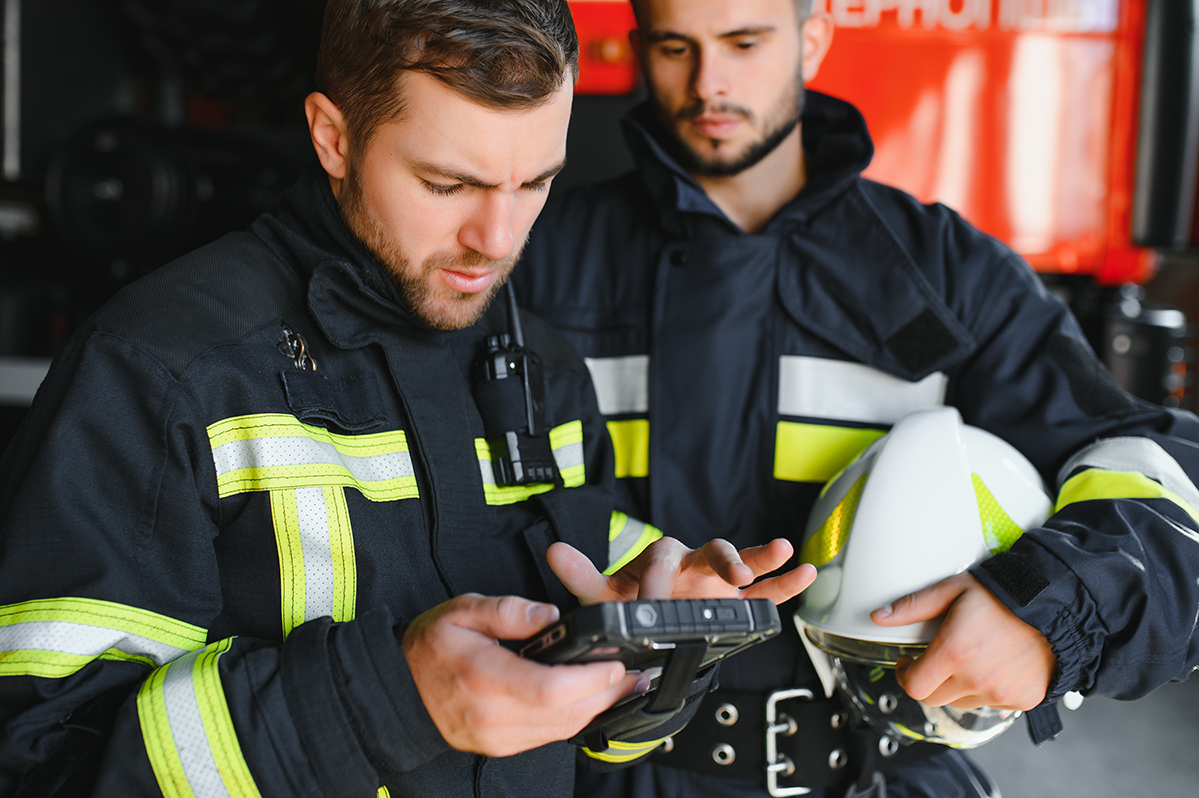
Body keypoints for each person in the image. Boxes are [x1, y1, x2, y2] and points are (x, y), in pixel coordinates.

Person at [0, 1, 819, 796]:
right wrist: (392, 702)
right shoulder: (161, 370)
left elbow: (580, 747)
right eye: (446, 183)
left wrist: (648, 651)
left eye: (535, 182)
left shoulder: (545, 369)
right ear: (333, 136)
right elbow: (41, 764)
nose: (497, 240)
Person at [513, 0, 1199, 796]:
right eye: (676, 47)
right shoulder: (537, 261)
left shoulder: (941, 274)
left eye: (744, 41)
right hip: (598, 767)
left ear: (811, 38)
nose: (710, 82)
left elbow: (1155, 474)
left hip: (876, 772)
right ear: (637, 51)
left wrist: (1050, 612)